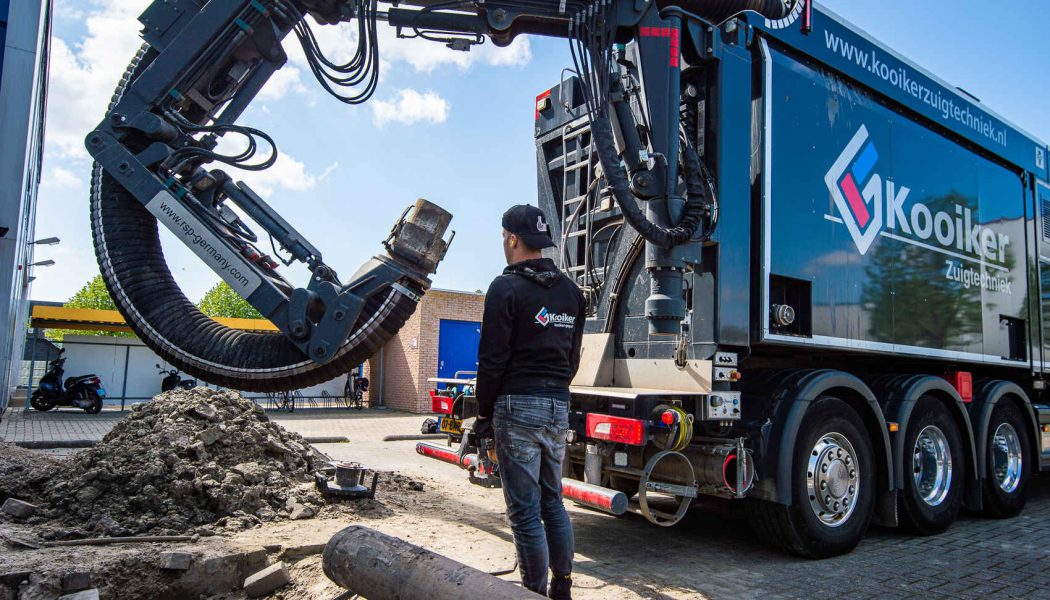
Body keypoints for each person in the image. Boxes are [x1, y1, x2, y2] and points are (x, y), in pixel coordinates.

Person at [473, 204, 586, 600]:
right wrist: (555, 391)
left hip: (517, 405)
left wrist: (483, 413)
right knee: (553, 502)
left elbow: (491, 358)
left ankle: (532, 593)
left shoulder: (505, 288)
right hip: (558, 404)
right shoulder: (572, 292)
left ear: (513, 239)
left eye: (504, 237)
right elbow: (573, 357)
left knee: (524, 511)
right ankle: (563, 587)